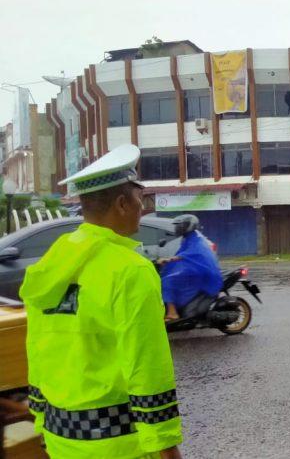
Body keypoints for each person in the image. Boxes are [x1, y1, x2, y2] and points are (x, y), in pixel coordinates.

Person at [19, 144, 183, 459]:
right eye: (140, 199)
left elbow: (38, 347)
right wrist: (166, 445)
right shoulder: (129, 269)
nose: (142, 207)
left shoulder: (54, 262)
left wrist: (41, 420)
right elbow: (146, 366)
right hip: (119, 445)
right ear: (122, 203)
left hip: (60, 438)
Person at [160, 215, 223, 322]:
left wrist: (170, 259)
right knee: (168, 275)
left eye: (181, 225)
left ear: (188, 226)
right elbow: (183, 253)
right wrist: (170, 260)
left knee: (167, 280)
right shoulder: (189, 238)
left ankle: (173, 313)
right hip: (196, 270)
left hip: (203, 272)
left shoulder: (196, 239)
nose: (178, 228)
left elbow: (190, 253)